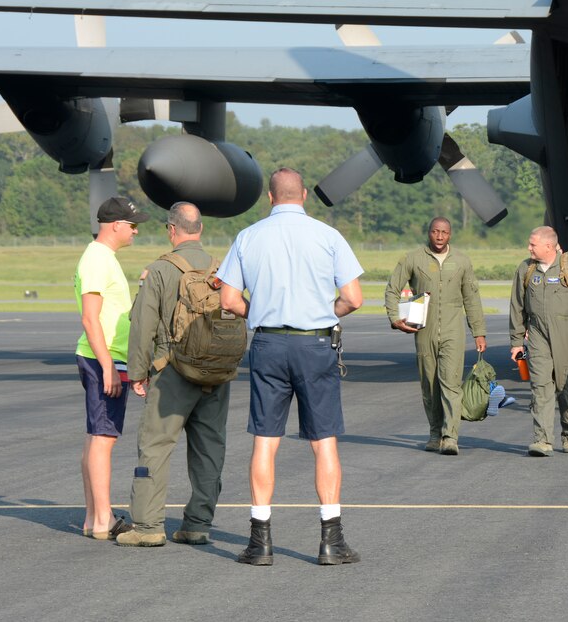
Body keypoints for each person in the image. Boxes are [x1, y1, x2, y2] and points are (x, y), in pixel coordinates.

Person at [219, 167, 364, 566]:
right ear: (303, 196)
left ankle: (259, 541)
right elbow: (353, 298)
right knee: (324, 442)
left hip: (268, 343)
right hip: (314, 344)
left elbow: (229, 300)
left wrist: (260, 313)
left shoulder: (248, 237)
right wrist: (322, 312)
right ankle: (331, 540)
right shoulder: (328, 235)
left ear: (269, 197)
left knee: (265, 440)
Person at [115, 202, 232, 548]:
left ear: (171, 229)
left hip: (172, 372)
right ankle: (198, 524)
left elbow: (142, 326)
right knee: (210, 449)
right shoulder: (222, 269)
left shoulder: (160, 271)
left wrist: (137, 372)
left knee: (155, 445)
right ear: (200, 230)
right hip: (216, 373)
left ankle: (149, 525)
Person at [73, 195, 148, 540]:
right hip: (104, 357)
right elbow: (90, 318)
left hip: (105, 356)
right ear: (116, 225)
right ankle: (103, 520)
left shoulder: (103, 257)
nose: (135, 232)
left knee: (95, 437)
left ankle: (93, 517)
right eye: (133, 226)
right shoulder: (97, 260)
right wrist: (107, 367)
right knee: (104, 438)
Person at [384, 217, 486, 455]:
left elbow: (472, 298)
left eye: (444, 232)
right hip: (424, 330)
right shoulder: (412, 258)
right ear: (428, 232)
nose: (440, 237)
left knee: (451, 384)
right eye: (435, 232)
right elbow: (392, 289)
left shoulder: (462, 261)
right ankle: (434, 433)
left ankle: (450, 436)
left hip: (453, 330)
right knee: (430, 385)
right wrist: (395, 317)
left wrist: (478, 332)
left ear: (450, 235)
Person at [509, 226, 568, 456]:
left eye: (532, 244)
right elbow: (517, 306)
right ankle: (542, 441)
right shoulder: (526, 268)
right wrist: (517, 342)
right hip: (537, 335)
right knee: (540, 387)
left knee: (566, 387)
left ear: (548, 246)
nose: (528, 248)